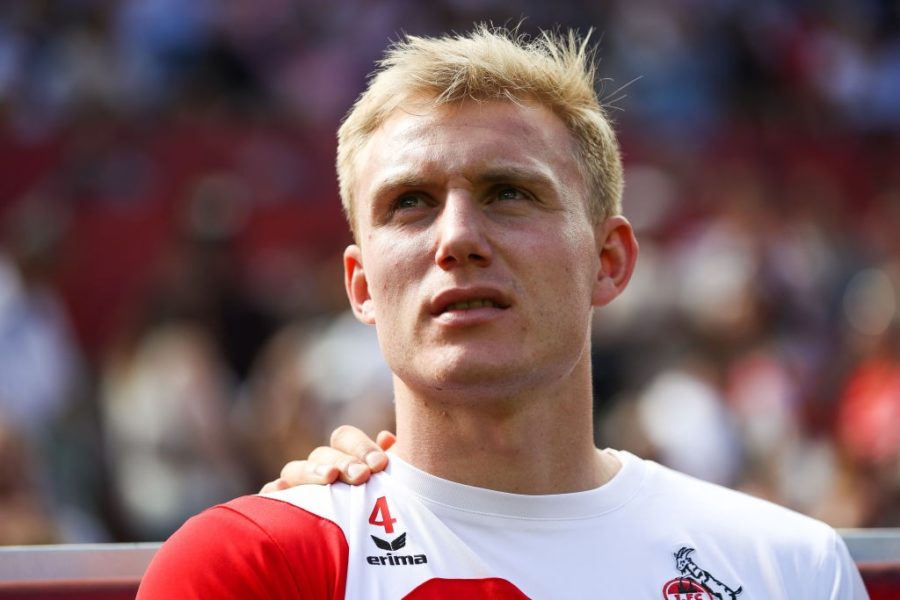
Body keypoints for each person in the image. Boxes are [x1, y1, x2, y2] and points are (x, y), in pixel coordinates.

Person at [137, 25, 868, 598]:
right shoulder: (254, 565)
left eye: (509, 193)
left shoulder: (788, 569)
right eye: (409, 203)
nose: (456, 238)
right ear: (361, 287)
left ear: (608, 261)